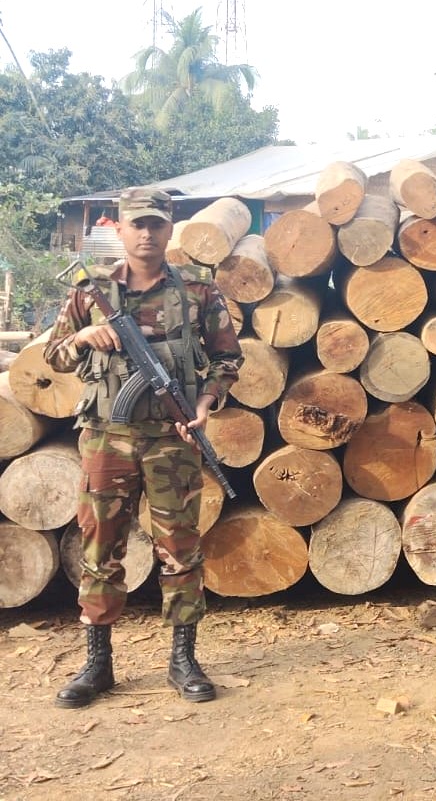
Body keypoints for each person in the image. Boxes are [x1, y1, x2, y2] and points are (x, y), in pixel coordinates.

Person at [44, 187, 244, 708]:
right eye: (138, 225)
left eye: (156, 224)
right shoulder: (92, 292)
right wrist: (85, 337)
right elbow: (55, 357)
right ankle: (98, 663)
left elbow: (226, 360)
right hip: (107, 439)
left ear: (170, 227)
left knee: (180, 550)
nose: (148, 234)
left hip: (170, 443)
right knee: (99, 548)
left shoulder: (197, 290)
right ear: (122, 230)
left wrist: (206, 402)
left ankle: (183, 659)